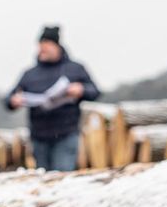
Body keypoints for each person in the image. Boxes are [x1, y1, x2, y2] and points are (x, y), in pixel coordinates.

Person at [7, 25, 100, 171]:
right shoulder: (29, 74)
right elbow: (9, 99)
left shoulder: (75, 69)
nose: (42, 50)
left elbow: (95, 91)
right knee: (42, 177)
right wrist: (14, 101)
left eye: (46, 46)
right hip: (39, 137)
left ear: (56, 46)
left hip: (66, 134)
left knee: (61, 176)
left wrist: (81, 89)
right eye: (40, 46)